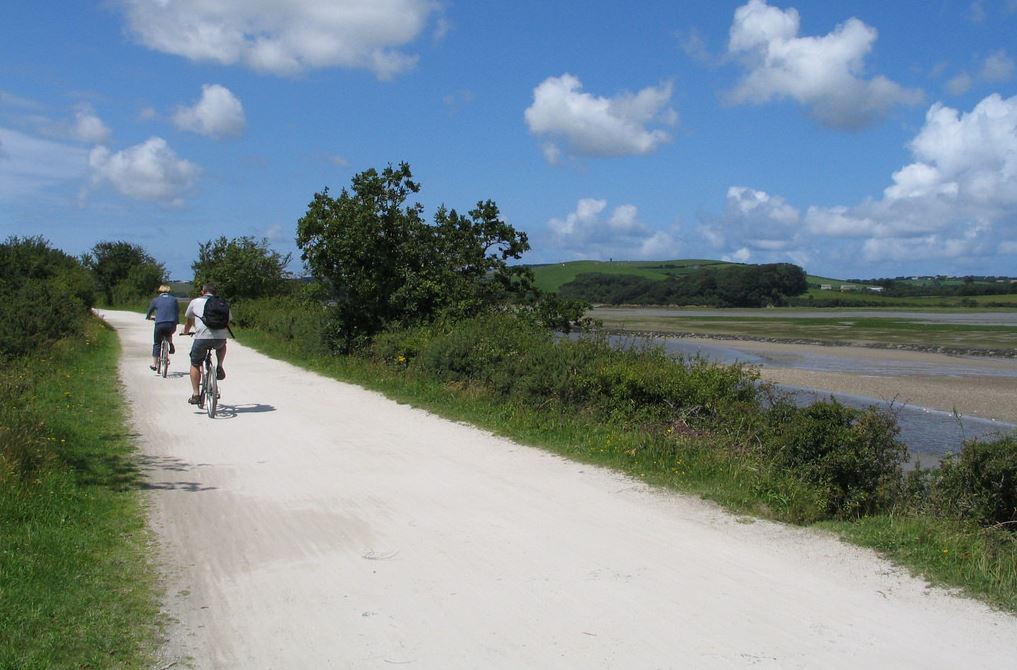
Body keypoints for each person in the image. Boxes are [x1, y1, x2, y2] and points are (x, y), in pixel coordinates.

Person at [181, 282, 231, 405]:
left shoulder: (195, 302)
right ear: (215, 293)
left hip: (201, 338)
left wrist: (186, 331)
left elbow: (189, 321)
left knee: (195, 363)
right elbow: (228, 321)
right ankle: (219, 365)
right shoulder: (222, 303)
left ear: (203, 292)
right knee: (222, 344)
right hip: (220, 338)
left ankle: (196, 394)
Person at [145, 284, 179, 371]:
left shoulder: (156, 300)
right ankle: (170, 345)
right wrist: (176, 322)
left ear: (160, 292)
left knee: (157, 343)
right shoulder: (174, 300)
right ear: (169, 291)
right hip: (171, 324)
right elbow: (176, 311)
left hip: (160, 323)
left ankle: (154, 364)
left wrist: (148, 317)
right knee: (169, 333)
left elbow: (149, 311)